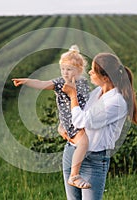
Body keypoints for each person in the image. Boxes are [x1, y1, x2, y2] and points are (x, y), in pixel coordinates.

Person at [61, 52, 137, 200]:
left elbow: (81, 120)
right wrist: (63, 127)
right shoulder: (98, 92)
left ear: (105, 78)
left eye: (93, 70)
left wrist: (73, 95)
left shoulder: (116, 102)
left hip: (93, 159)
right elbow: (78, 112)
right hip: (71, 152)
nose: (90, 72)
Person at [12, 45, 92, 189]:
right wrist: (26, 81)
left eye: (69, 69)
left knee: (87, 140)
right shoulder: (60, 83)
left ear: (79, 70)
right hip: (70, 121)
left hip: (81, 117)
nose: (65, 73)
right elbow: (42, 84)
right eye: (63, 69)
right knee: (84, 142)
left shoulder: (84, 83)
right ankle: (74, 175)